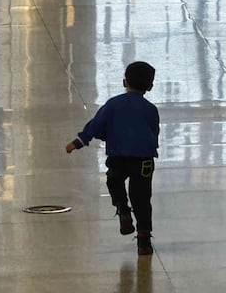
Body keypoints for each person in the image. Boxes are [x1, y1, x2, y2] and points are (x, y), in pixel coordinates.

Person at [66, 62, 160, 255]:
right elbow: (153, 133)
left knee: (114, 180)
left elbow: (96, 125)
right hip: (144, 160)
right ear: (150, 87)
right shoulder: (151, 109)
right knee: (142, 197)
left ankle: (123, 209)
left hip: (118, 155)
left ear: (124, 81)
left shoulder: (113, 104)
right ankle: (144, 240)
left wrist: (79, 141)